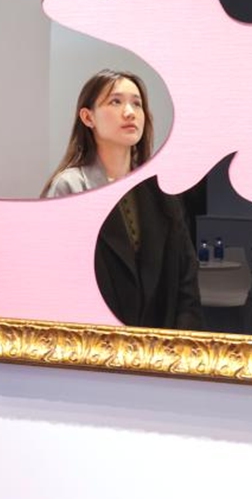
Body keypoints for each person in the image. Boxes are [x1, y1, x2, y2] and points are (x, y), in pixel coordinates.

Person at [43, 69, 202, 330]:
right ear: (88, 117)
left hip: (157, 347)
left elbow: (187, 279)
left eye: (137, 103)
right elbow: (57, 279)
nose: (129, 112)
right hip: (94, 344)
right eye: (115, 101)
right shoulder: (71, 186)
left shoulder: (160, 190)